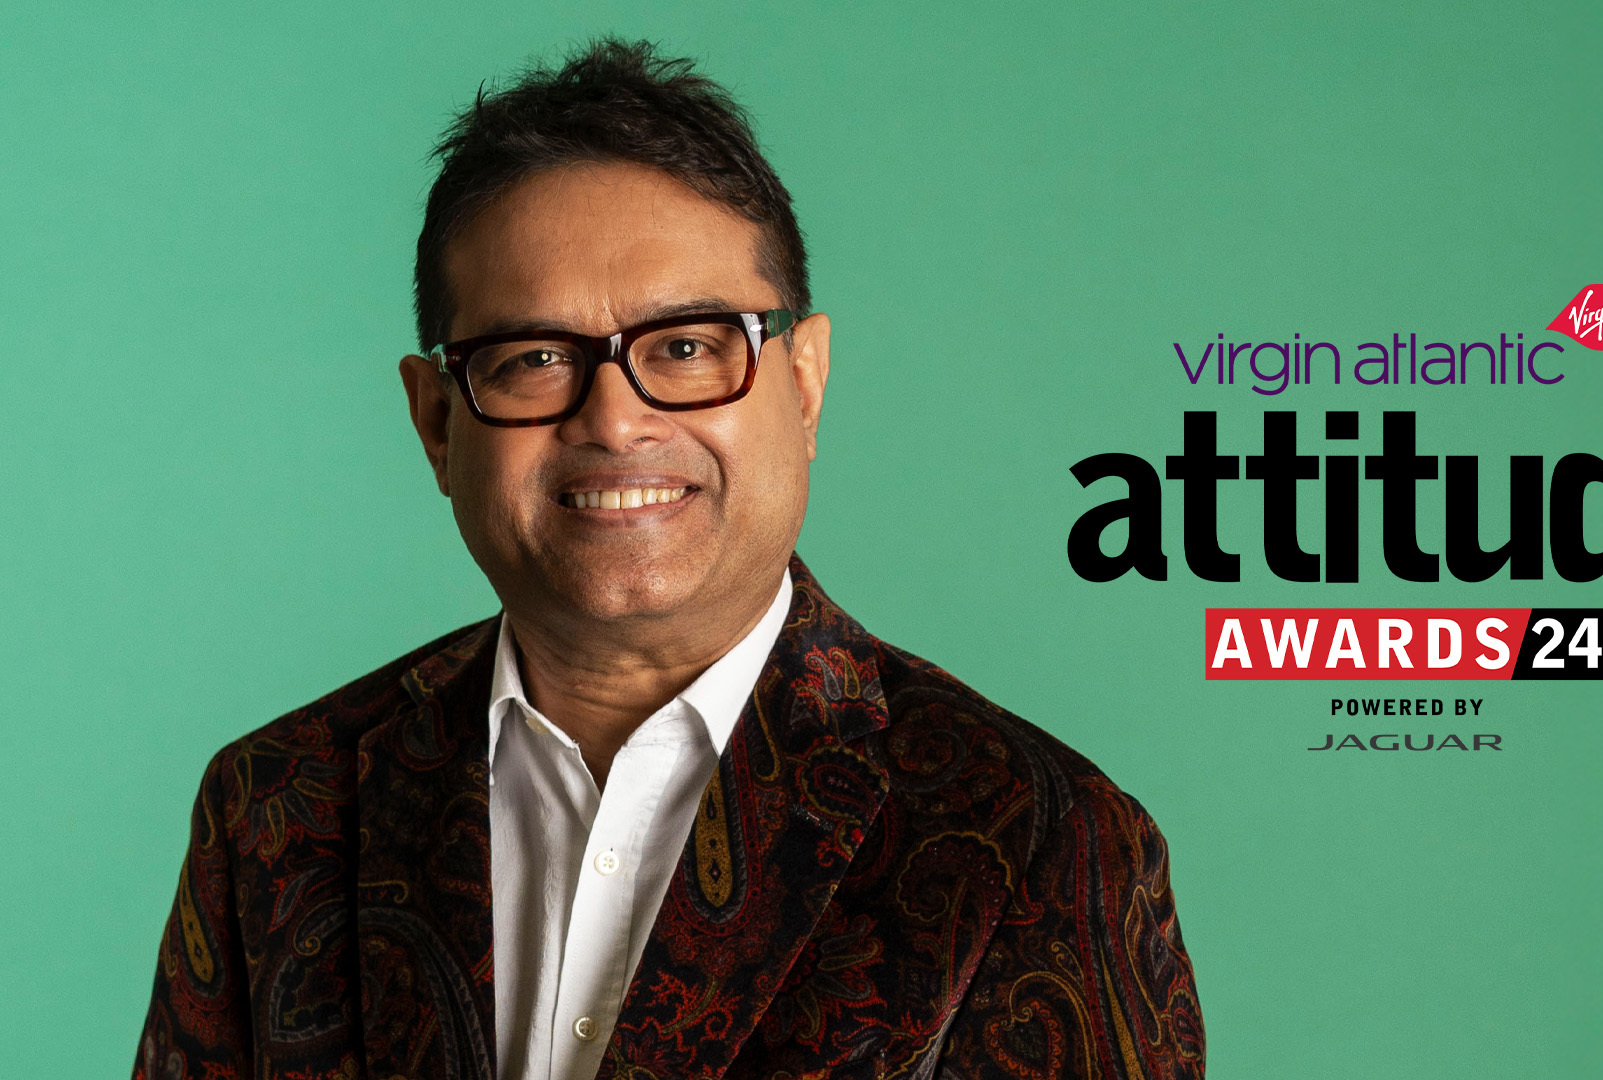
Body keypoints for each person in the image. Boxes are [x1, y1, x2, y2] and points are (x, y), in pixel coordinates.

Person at [134, 38, 1203, 1080]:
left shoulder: (1034, 836)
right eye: (533, 358)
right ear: (435, 423)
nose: (615, 419)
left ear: (805, 381)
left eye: (687, 347)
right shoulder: (279, 804)